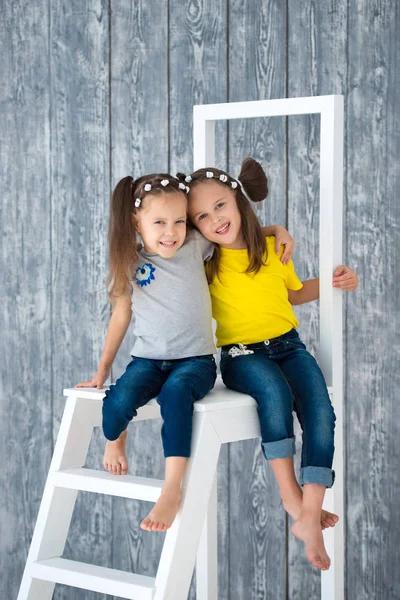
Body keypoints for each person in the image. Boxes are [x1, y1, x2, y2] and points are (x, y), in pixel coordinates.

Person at [75, 170, 293, 531]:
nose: (171, 231)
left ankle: (171, 487)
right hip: (147, 360)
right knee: (115, 405)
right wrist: (102, 370)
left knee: (176, 397)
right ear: (136, 221)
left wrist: (276, 230)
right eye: (159, 222)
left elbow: (235, 233)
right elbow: (120, 317)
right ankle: (116, 437)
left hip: (196, 362)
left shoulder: (194, 246)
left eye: (179, 221)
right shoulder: (130, 263)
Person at [182, 158, 358, 570]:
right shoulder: (206, 263)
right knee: (274, 392)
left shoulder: (274, 250)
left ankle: (310, 513)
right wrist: (274, 225)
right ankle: (290, 495)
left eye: (220, 206)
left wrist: (336, 282)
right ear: (196, 229)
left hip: (289, 346)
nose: (215, 220)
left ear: (238, 200)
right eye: (203, 218)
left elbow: (295, 295)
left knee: (320, 409)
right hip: (242, 354)